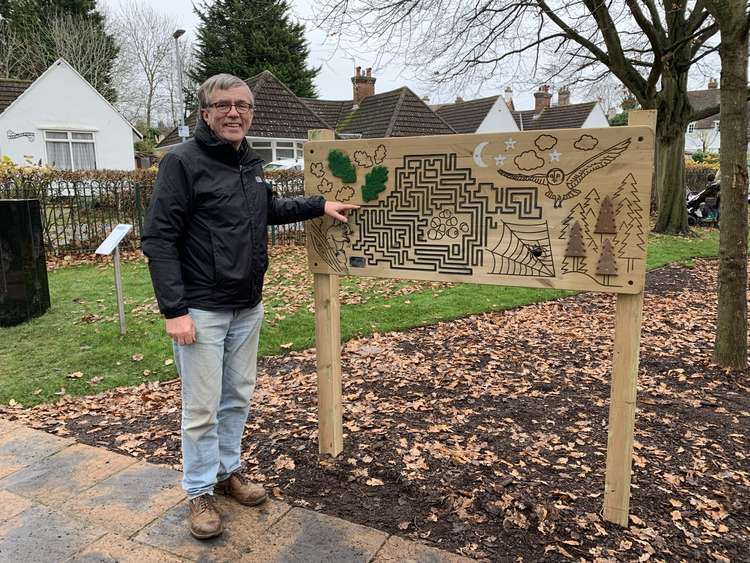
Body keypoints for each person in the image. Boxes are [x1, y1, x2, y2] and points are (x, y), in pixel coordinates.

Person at [142, 73, 356, 540]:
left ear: (251, 113)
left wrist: (321, 204)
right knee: (201, 408)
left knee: (236, 398)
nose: (233, 112)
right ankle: (199, 490)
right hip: (200, 309)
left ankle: (227, 472)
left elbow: (269, 209)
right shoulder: (182, 162)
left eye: (242, 105)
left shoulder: (250, 165)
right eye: (223, 105)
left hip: (246, 306)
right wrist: (174, 310)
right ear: (205, 113)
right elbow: (158, 238)